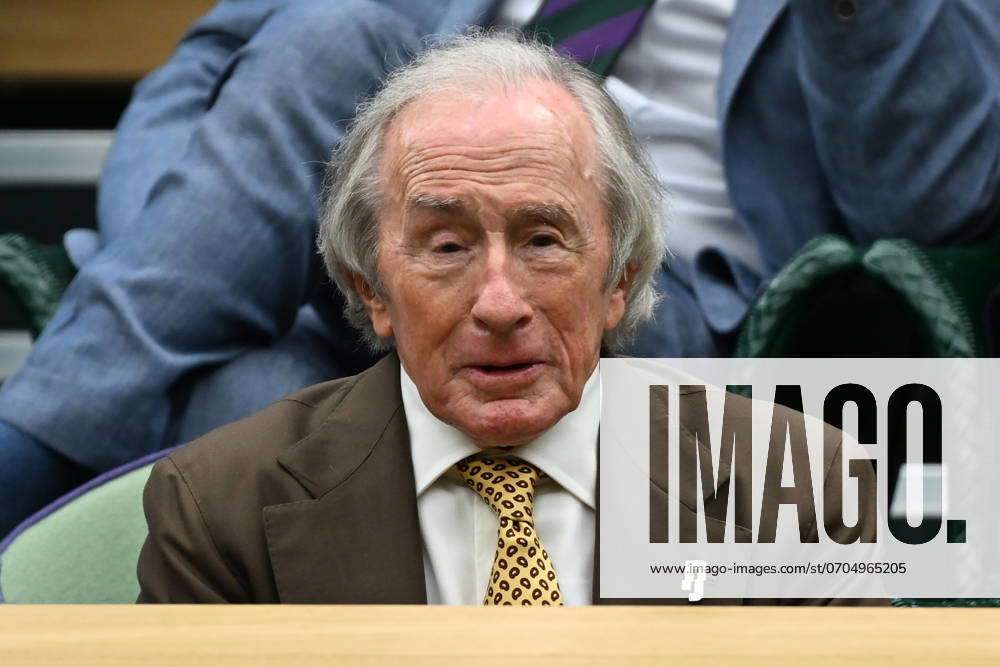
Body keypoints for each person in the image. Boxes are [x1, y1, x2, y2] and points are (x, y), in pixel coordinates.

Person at [1, 0, 998, 537]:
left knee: (245, 393)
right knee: (337, 33)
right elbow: (208, 71)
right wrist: (194, 250)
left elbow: (933, 198)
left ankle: (32, 465)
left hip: (655, 295)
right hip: (378, 240)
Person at [136, 33, 877, 604]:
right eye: (448, 245)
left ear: (618, 279)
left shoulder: (800, 490)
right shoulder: (222, 507)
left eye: (543, 240)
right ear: (372, 289)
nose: (499, 303)